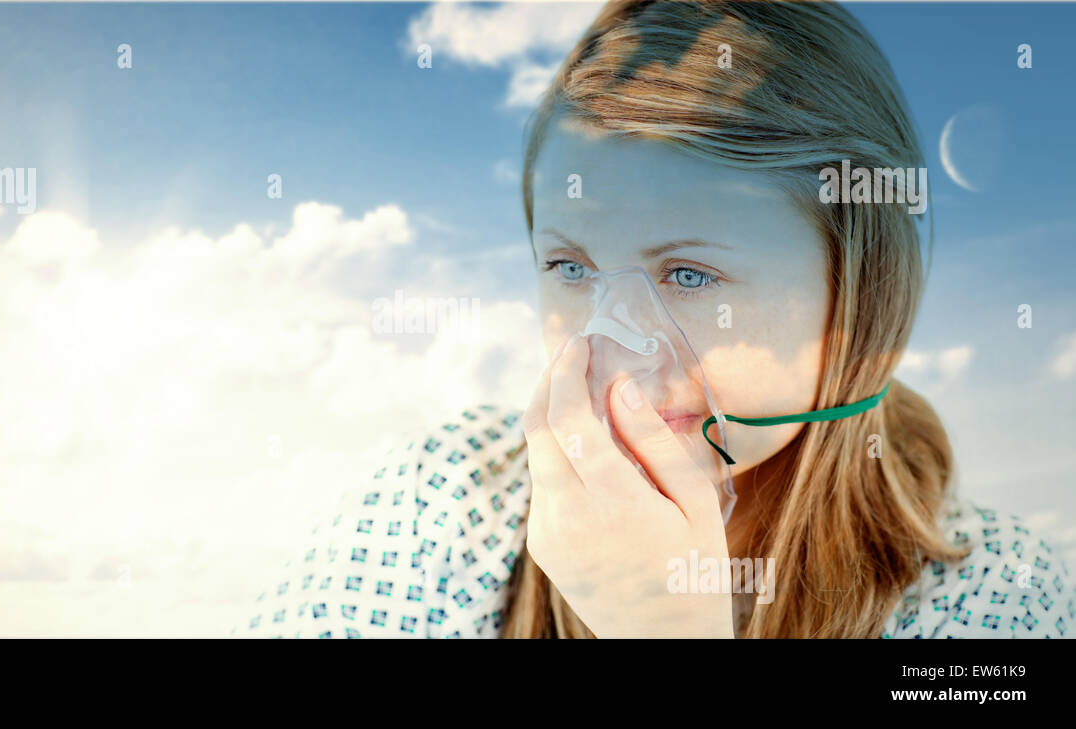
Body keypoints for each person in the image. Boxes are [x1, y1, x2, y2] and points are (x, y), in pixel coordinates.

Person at [232, 0, 1071, 638]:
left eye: (691, 273)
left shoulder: (996, 604)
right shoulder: (440, 509)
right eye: (570, 266)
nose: (615, 345)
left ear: (860, 300)